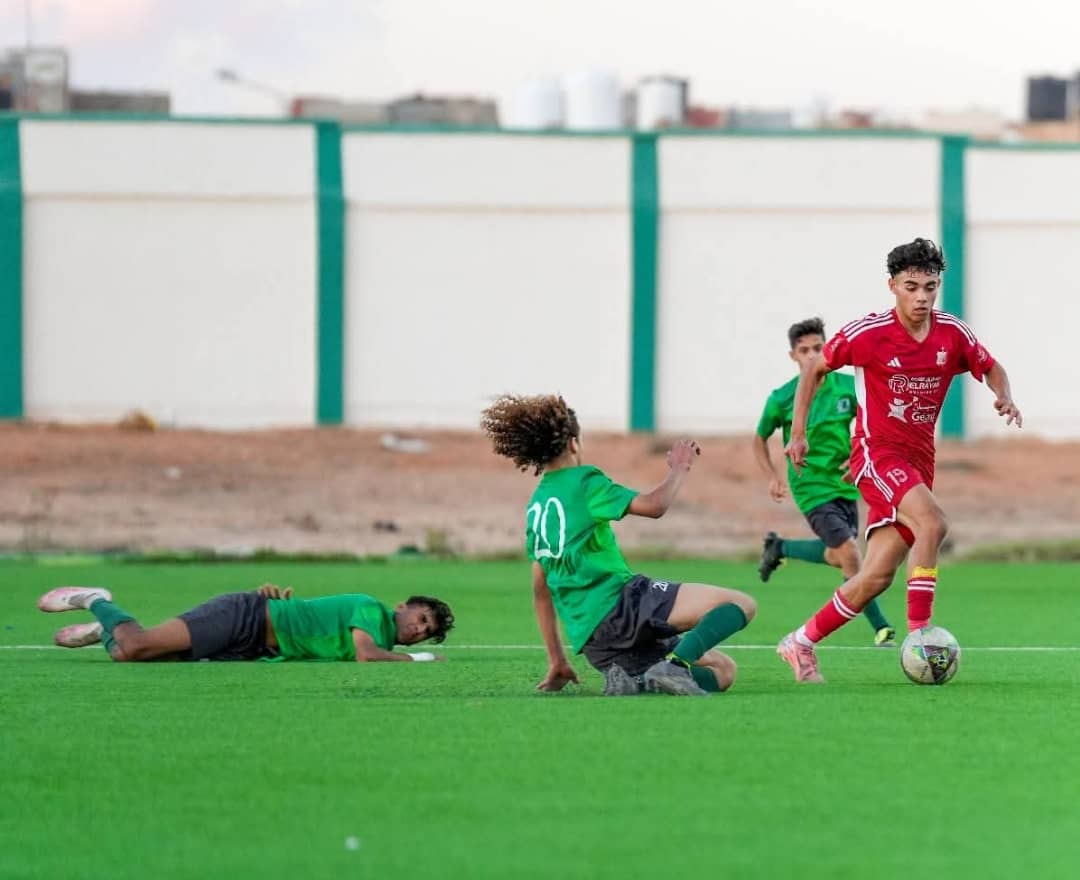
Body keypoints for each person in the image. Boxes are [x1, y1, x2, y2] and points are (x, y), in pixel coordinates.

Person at [777, 238, 1022, 683]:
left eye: (931, 286)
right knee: (933, 522)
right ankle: (919, 635)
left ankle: (800, 642)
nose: (923, 296)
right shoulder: (867, 333)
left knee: (876, 576)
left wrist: (1002, 394)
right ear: (893, 286)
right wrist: (797, 434)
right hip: (876, 454)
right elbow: (815, 370)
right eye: (912, 286)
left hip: (919, 462)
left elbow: (991, 366)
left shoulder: (953, 333)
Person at [481, 393, 757, 697]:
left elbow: (541, 590)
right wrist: (680, 467)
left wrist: (558, 660)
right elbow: (654, 506)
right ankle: (673, 666)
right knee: (741, 604)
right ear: (574, 442)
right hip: (622, 607)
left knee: (723, 671)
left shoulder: (536, 505)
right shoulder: (584, 481)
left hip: (595, 641)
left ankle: (637, 683)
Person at [754, 317, 896, 647]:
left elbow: (873, 419)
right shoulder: (782, 398)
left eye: (818, 348)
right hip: (810, 487)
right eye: (804, 351)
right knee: (850, 553)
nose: (811, 355)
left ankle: (780, 548)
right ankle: (881, 627)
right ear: (793, 356)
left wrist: (859, 453)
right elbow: (758, 439)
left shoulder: (847, 386)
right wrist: (773, 476)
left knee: (839, 555)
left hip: (847, 483)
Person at [37, 582, 454, 663]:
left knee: (127, 656)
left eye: (426, 631)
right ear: (401, 606)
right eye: (420, 618)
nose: (419, 630)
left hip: (255, 646)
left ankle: (105, 630)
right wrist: (419, 659)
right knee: (137, 646)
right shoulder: (372, 610)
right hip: (245, 616)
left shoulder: (382, 638)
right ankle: (96, 601)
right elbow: (367, 655)